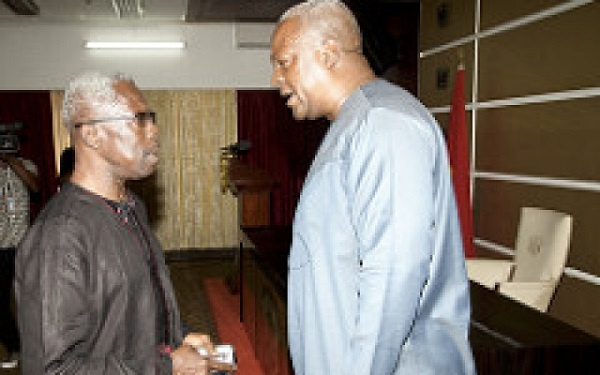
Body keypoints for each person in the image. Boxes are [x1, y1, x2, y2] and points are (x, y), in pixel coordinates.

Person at [270, 1, 475, 374]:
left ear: (328, 53)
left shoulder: (382, 122)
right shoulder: (356, 122)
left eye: (284, 62)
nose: (275, 79)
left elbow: (393, 273)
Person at [15, 72, 222, 374]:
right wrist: (167, 365)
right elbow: (53, 369)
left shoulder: (132, 207)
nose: (154, 131)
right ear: (91, 134)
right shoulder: (60, 236)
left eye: (152, 119)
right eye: (139, 120)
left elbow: (132, 310)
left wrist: (179, 335)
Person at [0, 149, 39, 369]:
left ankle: (41, 348)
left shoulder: (27, 164)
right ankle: (15, 347)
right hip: (0, 245)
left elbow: (35, 187)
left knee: (33, 299)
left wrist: (14, 164)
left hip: (24, 243)